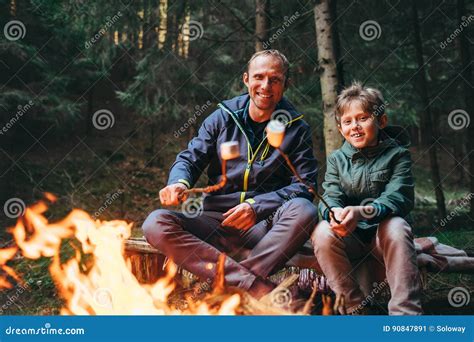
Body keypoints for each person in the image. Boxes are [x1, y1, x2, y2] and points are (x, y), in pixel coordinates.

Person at [142, 50, 318, 299]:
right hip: (215, 219)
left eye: (275, 79)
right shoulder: (222, 118)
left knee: (304, 210)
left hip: (263, 227)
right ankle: (254, 288)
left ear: (286, 85)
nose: (265, 86)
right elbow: (190, 158)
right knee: (155, 224)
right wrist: (178, 183)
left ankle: (227, 288)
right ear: (246, 79)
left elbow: (306, 186)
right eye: (259, 77)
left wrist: (257, 207)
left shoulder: (297, 128)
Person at [311, 82, 423, 315]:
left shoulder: (397, 155)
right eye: (348, 122)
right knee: (321, 231)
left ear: (381, 121)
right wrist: (335, 214)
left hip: (383, 242)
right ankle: (355, 307)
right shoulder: (336, 160)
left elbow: (398, 196)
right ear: (341, 130)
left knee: (396, 224)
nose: (355, 127)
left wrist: (362, 212)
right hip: (350, 238)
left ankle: (405, 313)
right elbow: (330, 195)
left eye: (363, 118)